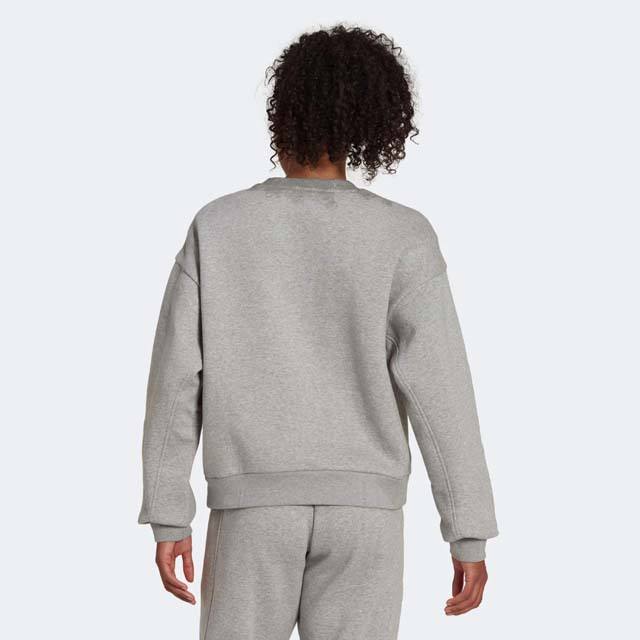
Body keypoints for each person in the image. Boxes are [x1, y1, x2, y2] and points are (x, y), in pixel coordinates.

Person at [139, 25, 498, 640]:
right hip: (366, 515)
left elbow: (176, 380)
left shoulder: (218, 226)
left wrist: (169, 513)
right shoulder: (403, 235)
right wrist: (467, 529)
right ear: (366, 124)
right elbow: (441, 390)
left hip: (252, 508)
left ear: (283, 113)